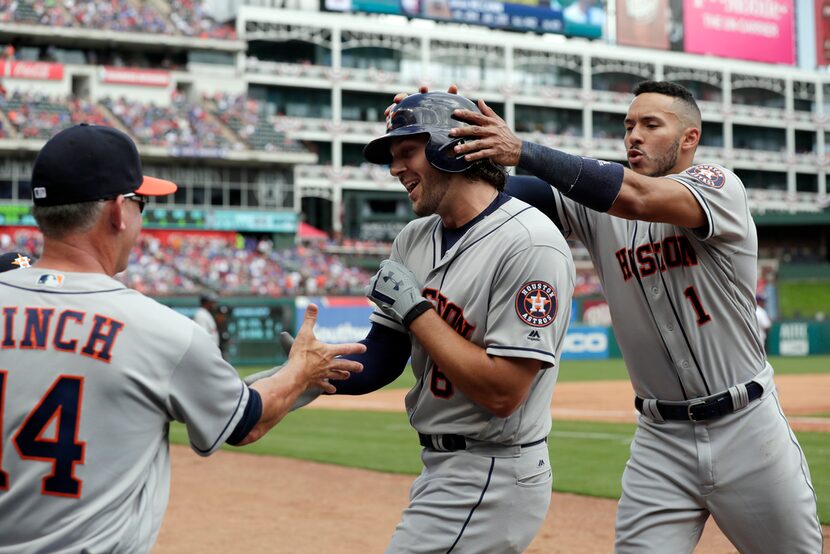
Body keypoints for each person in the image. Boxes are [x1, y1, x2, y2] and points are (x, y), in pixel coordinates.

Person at [443, 81, 822, 552]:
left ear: (689, 139)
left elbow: (639, 197)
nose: (633, 136)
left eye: (650, 125)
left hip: (746, 426)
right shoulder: (602, 205)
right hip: (660, 438)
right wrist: (443, 140)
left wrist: (522, 148)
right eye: (628, 126)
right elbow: (495, 193)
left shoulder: (720, 186)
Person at [0, 124, 365, 553]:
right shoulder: (158, 329)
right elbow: (246, 423)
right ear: (119, 211)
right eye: (142, 204)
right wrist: (301, 370)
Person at [330, 92, 575, 553]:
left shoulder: (530, 242)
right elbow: (381, 359)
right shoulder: (414, 237)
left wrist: (416, 311)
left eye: (407, 152)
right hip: (442, 466)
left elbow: (503, 393)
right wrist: (306, 373)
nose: (394, 168)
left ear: (450, 146)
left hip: (493, 471)